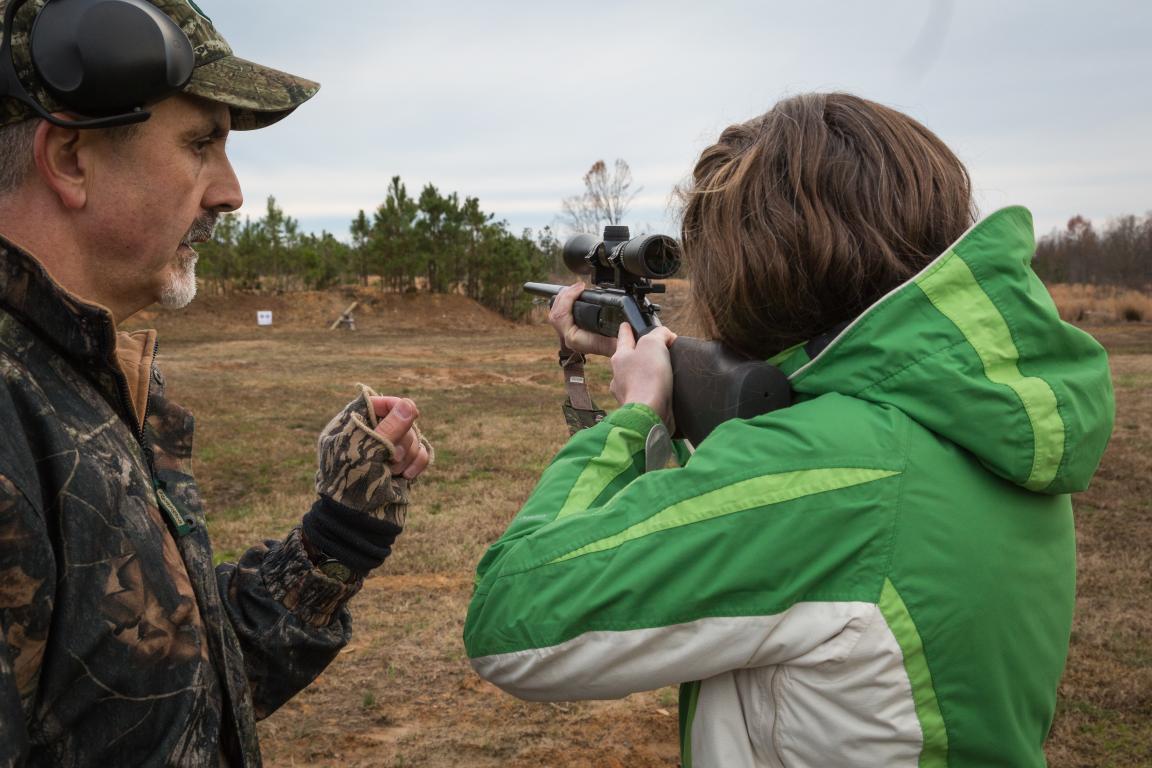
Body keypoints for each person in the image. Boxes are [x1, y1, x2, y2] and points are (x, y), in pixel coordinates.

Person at [464, 92, 1114, 766]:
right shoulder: (985, 422)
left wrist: (633, 416)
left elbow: (508, 613)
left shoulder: (836, 474)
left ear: (756, 272)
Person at [0, 1, 431, 765]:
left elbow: (166, 690)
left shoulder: (81, 377)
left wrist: (342, 528)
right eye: (201, 144)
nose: (231, 193)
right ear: (69, 158)